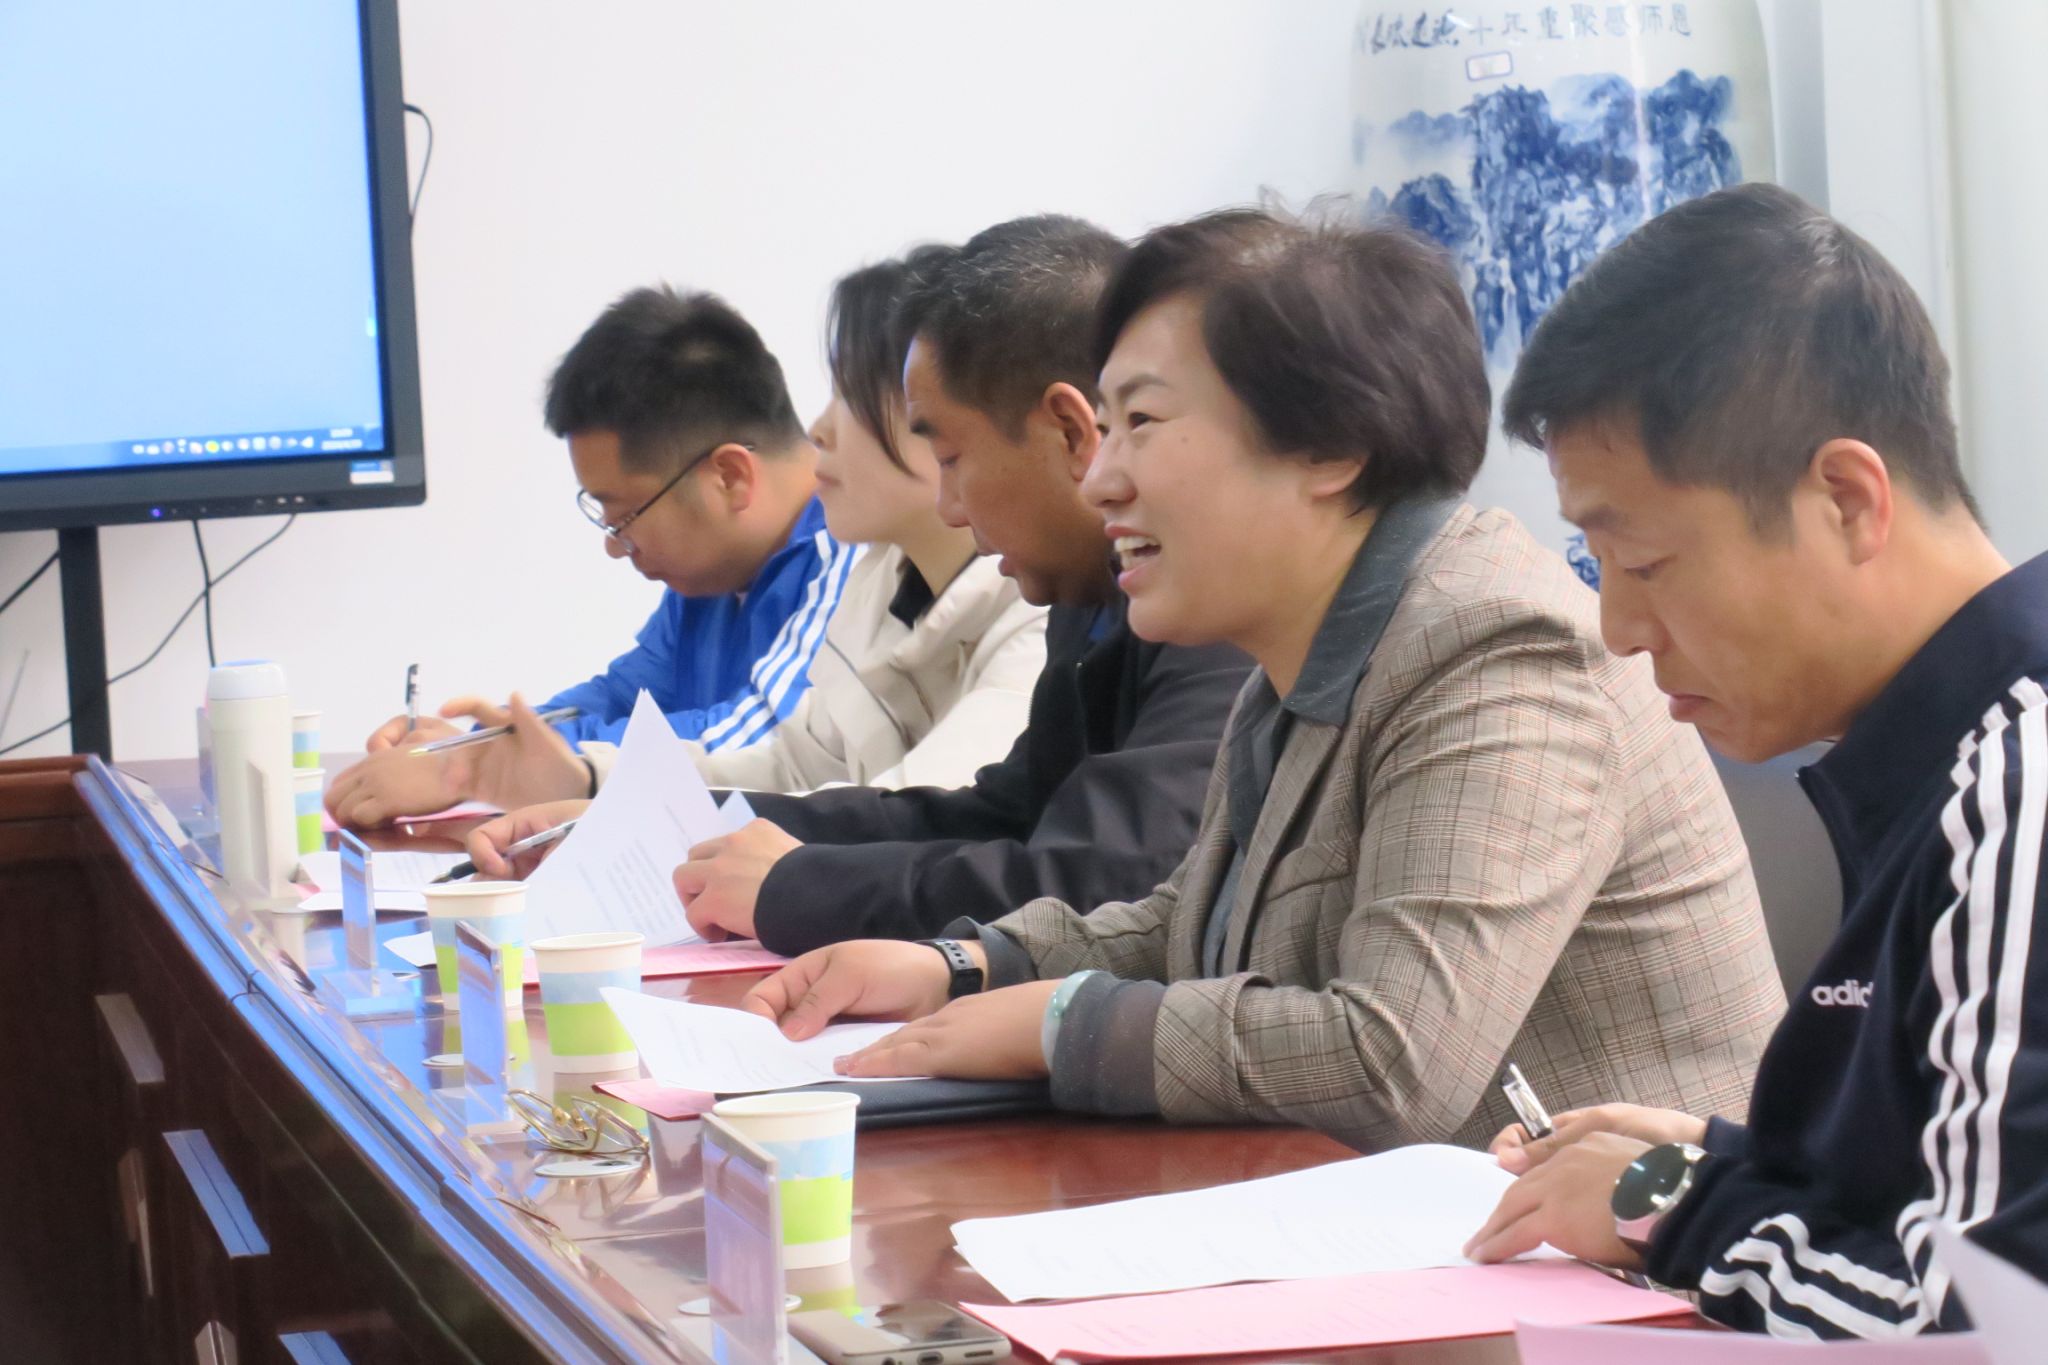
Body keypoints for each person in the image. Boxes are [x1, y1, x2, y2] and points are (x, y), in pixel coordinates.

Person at [733, 207, 1784, 1153]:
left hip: (1628, 1274)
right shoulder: (1317, 639)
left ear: (1328, 446)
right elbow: (1194, 923)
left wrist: (1062, 1024)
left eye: (1141, 422)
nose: (1101, 478)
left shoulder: (1500, 649)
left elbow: (1391, 1059)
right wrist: (966, 966)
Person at [1460, 183, 2048, 1339]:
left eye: (1644, 562)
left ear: (1844, 500)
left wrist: (1667, 1206)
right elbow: (1936, 1185)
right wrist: (1724, 1161)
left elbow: (1992, 1328)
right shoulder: (1938, 754)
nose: (1619, 628)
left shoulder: (2017, 788)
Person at [467, 216, 1253, 955]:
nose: (949, 505)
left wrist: (796, 883)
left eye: (948, 455)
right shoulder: (1085, 600)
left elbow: (1101, 876)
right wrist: (661, 826)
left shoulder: (1201, 607)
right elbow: (999, 814)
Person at [454, 249, 1050, 801]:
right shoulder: (878, 585)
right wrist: (561, 769)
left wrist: (572, 776)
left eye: (848, 394)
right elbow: (790, 766)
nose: (818, 430)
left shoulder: (1031, 618)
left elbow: (906, 816)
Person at [325, 287, 858, 827]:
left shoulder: (854, 557)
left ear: (729, 476)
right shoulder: (714, 576)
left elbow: (775, 743)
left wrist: (478, 770)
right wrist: (479, 748)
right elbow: (626, 699)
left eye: (624, 515)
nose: (613, 545)